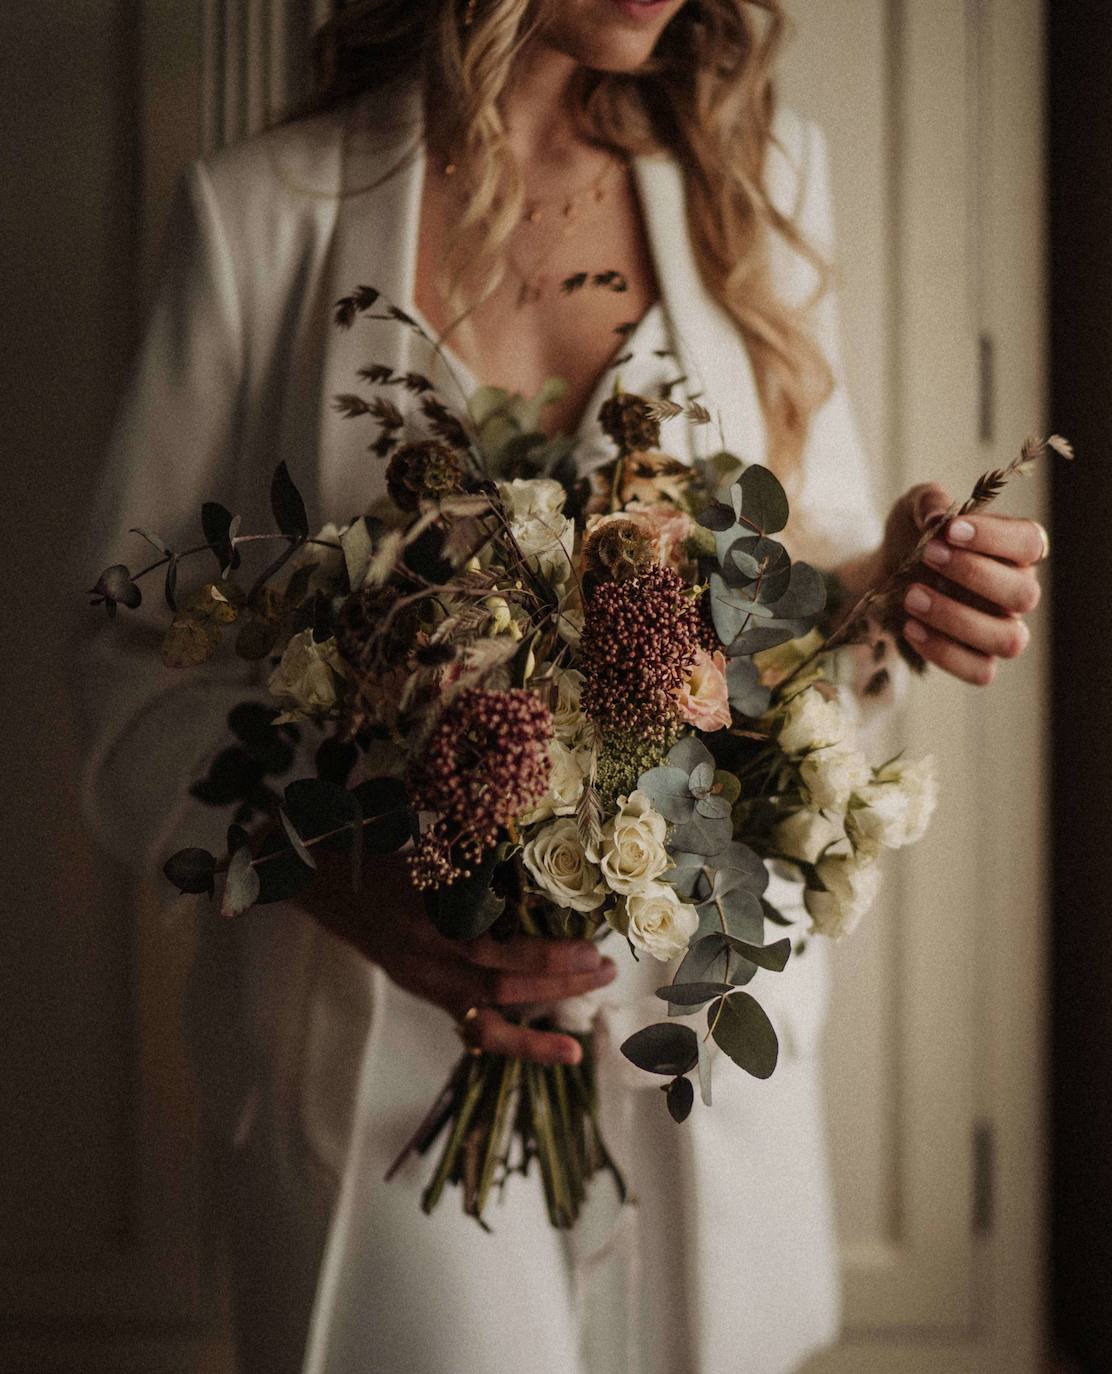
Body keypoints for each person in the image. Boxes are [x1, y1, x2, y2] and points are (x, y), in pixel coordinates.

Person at [80, 2, 1047, 1372]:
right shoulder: (263, 218)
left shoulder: (757, 188)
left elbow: (802, 609)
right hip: (376, 1068)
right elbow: (125, 664)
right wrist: (343, 872)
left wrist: (897, 586)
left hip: (697, 1028)